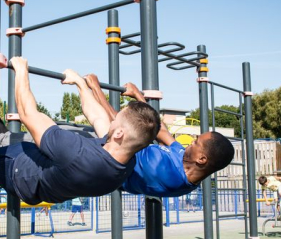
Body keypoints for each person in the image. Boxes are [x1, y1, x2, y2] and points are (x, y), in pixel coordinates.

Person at [0, 57, 161, 205]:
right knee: (46, 138)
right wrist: (79, 83)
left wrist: (20, 70)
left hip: (19, 172)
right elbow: (96, 115)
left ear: (118, 134)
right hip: (47, 181)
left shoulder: (77, 154)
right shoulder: (127, 160)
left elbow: (28, 114)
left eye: (116, 119)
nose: (112, 118)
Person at [84, 74, 235, 198]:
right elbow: (162, 130)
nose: (191, 142)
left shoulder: (167, 174)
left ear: (201, 159)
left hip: (108, 157)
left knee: (91, 120)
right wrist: (137, 94)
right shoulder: (185, 160)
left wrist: (95, 88)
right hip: (118, 143)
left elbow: (120, 128)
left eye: (196, 143)